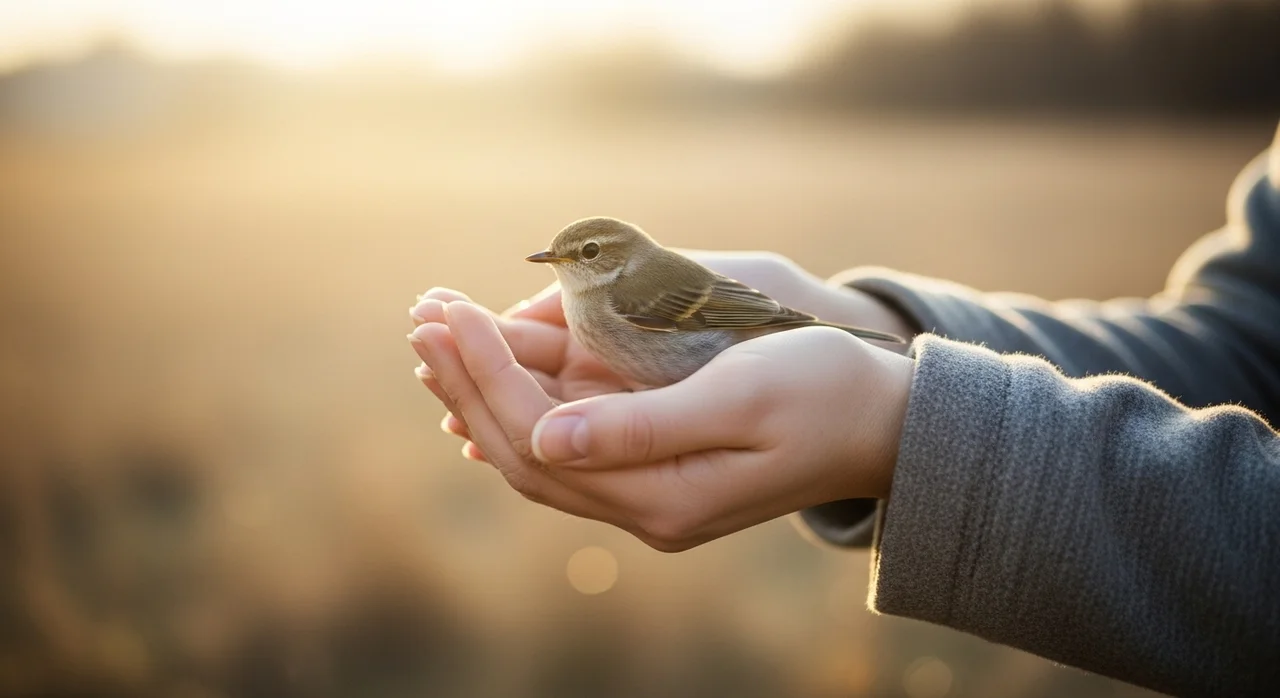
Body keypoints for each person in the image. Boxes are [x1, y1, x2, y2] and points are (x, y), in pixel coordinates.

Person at [406, 124, 1280, 696]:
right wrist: (874, 327)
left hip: (733, 330)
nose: (565, 265)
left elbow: (720, 316)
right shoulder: (596, 301)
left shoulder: (629, 293)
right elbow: (1248, 337)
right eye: (562, 255)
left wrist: (893, 414)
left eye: (584, 254)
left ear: (614, 260)